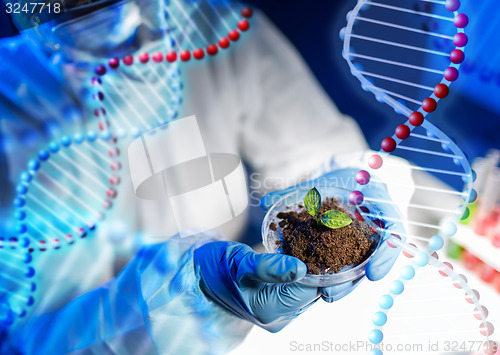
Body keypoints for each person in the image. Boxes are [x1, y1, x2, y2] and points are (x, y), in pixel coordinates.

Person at [0, 0, 404, 353]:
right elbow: (20, 343)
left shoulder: (212, 27)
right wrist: (197, 295)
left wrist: (344, 180)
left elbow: (313, 153)